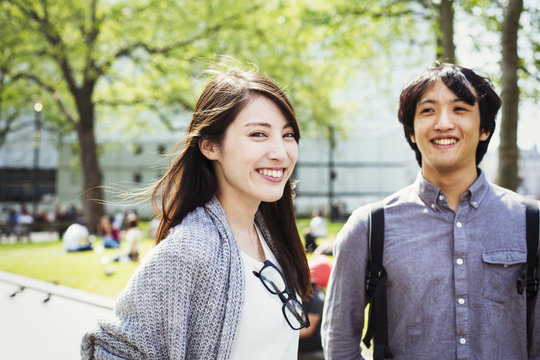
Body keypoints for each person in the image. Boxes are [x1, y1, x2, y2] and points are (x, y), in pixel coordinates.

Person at [81, 67, 311, 359]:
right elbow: (111, 350)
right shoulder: (189, 250)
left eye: (288, 135)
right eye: (258, 134)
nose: (280, 151)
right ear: (210, 146)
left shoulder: (272, 238)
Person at [321, 63, 540, 359]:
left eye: (460, 109)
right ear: (412, 132)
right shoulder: (369, 227)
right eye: (428, 111)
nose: (443, 123)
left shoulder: (531, 223)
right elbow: (339, 343)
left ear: (485, 128)